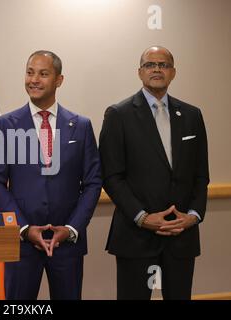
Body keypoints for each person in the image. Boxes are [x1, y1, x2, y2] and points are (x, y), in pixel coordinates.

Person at [0, 50, 102, 300]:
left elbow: (93, 183)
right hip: (22, 242)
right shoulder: (5, 124)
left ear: (59, 80)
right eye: (29, 72)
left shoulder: (81, 126)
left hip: (67, 243)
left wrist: (71, 228)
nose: (34, 80)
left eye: (43, 73)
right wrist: (24, 228)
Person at [99, 46, 209, 300]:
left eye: (163, 65)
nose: (157, 69)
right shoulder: (118, 114)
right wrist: (142, 217)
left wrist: (193, 215)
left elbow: (201, 175)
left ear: (173, 73)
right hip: (136, 235)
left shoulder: (192, 115)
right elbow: (112, 176)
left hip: (182, 235)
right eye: (150, 65)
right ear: (140, 73)